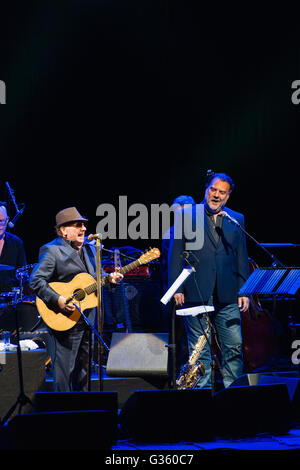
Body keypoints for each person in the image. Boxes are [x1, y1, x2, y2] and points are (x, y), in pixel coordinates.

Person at [168, 173, 249, 389]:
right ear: (206, 190)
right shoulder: (187, 216)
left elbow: (241, 257)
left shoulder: (236, 219)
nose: (216, 195)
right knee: (199, 349)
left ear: (228, 196)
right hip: (195, 290)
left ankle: (233, 394)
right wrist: (177, 287)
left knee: (233, 346)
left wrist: (244, 291)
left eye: (222, 192)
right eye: (213, 190)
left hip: (228, 292)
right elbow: (175, 254)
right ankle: (202, 396)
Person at [29, 207, 123, 391]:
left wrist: (110, 279)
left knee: (84, 372)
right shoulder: (52, 250)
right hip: (64, 319)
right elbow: (36, 280)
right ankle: (63, 411)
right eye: (78, 225)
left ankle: (83, 410)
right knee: (64, 373)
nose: (84, 229)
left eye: (84, 225)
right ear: (63, 230)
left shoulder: (89, 250)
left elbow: (94, 277)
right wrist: (58, 300)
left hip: (88, 318)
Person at [0, 202, 27, 296]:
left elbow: (23, 271)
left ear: (7, 220)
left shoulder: (16, 243)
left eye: (1, 221)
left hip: (9, 298)